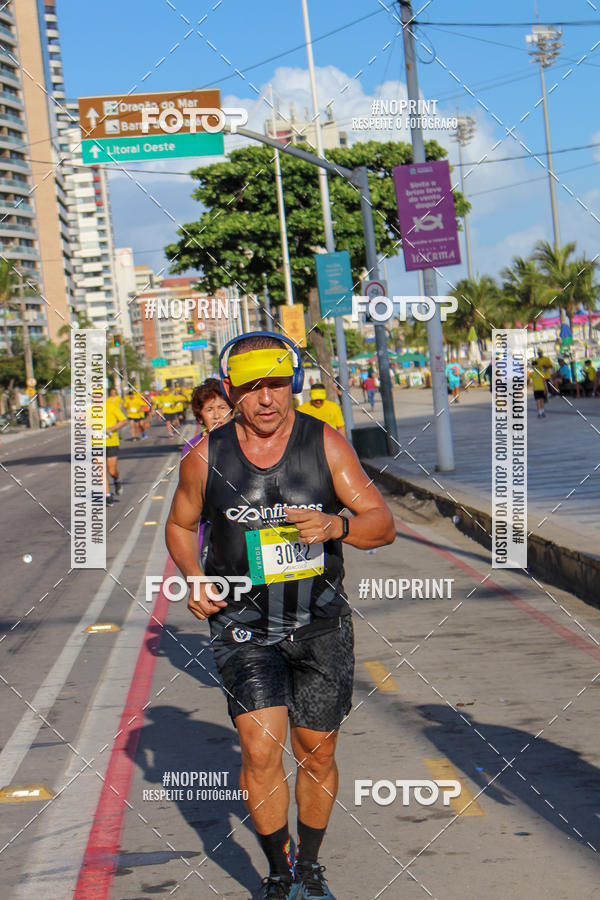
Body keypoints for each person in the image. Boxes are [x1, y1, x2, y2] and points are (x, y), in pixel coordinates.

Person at [166, 333, 395, 900]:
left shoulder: (327, 445)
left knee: (317, 753)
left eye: (275, 384)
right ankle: (277, 873)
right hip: (243, 623)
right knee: (260, 748)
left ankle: (311, 868)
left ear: (291, 383)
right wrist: (195, 578)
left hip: (318, 622)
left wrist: (337, 526)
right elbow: (178, 525)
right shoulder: (206, 457)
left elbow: (381, 524)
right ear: (231, 391)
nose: (265, 399)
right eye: (251, 388)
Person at [182, 378, 234, 456]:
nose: (216, 416)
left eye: (222, 408)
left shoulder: (247, 441)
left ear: (232, 412)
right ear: (200, 418)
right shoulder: (192, 448)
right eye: (209, 410)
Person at [530, 350, 553, 417]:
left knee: (538, 399)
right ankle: (542, 411)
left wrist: (546, 366)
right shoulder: (537, 360)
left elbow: (551, 366)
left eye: (540, 353)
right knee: (541, 399)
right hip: (542, 378)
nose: (540, 354)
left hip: (546, 376)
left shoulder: (546, 359)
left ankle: (541, 411)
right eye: (539, 353)